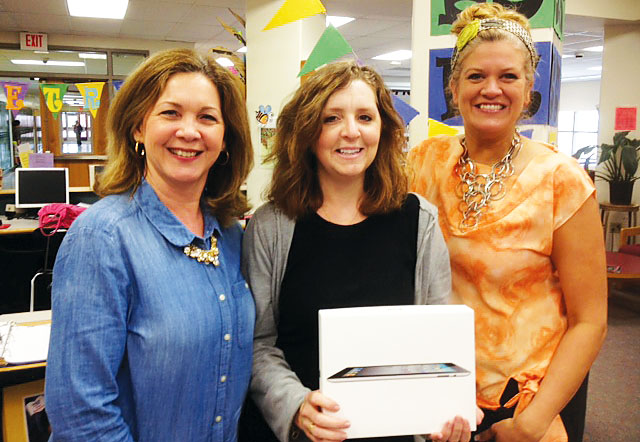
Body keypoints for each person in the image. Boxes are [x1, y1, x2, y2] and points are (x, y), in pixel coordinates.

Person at [239, 60, 474, 442]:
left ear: (383, 128)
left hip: (394, 433)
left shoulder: (420, 221)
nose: (351, 132)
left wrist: (442, 412)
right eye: (331, 118)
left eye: (365, 117)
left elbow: (435, 344)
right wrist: (297, 405)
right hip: (303, 432)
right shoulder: (272, 225)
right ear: (307, 131)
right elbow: (258, 344)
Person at [407, 4, 607, 442]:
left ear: (529, 86)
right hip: (439, 392)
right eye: (476, 76)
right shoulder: (423, 162)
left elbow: (590, 320)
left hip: (525, 402)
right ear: (453, 86)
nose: (490, 89)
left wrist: (530, 425)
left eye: (508, 77)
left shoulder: (561, 180)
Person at [45, 48, 255, 441]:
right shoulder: (102, 237)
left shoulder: (229, 235)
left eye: (207, 117)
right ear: (138, 127)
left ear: (224, 138)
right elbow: (81, 413)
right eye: (170, 113)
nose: (189, 132)